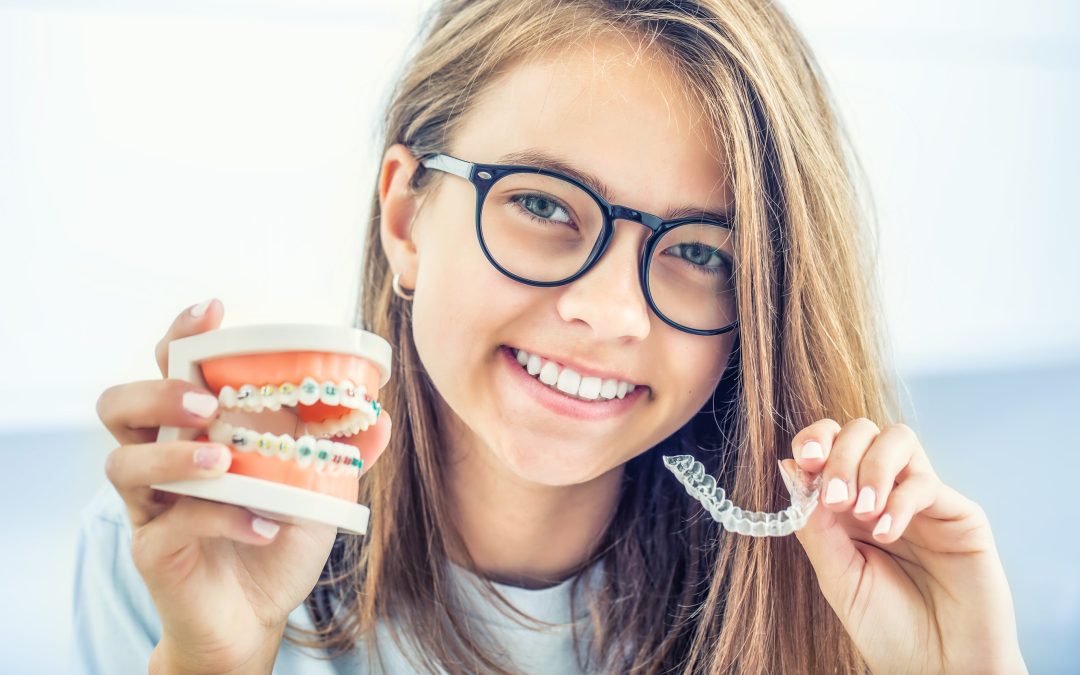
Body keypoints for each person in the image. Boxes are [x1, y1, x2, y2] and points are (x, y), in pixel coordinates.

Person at [73, 0, 1028, 673]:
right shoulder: (168, 553)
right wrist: (214, 663)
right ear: (407, 218)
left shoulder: (830, 601)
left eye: (702, 254)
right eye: (540, 203)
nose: (611, 311)